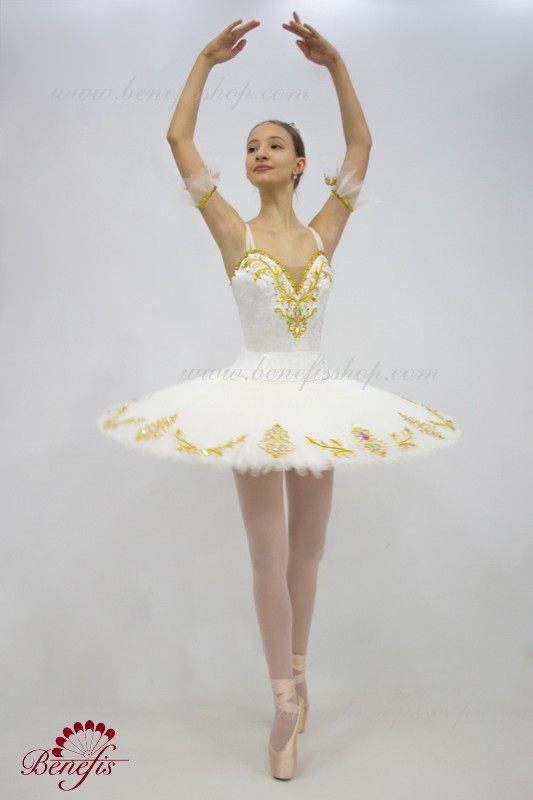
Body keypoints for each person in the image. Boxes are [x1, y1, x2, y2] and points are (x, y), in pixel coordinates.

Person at [98, 12, 461, 781]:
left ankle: (299, 670)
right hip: (251, 397)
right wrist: (204, 60)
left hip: (318, 398)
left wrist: (335, 66)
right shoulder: (232, 231)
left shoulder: (325, 230)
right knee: (266, 551)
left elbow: (360, 148)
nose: (257, 153)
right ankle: (282, 701)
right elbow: (177, 140)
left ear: (299, 165)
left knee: (309, 547)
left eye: (272, 145)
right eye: (249, 147)